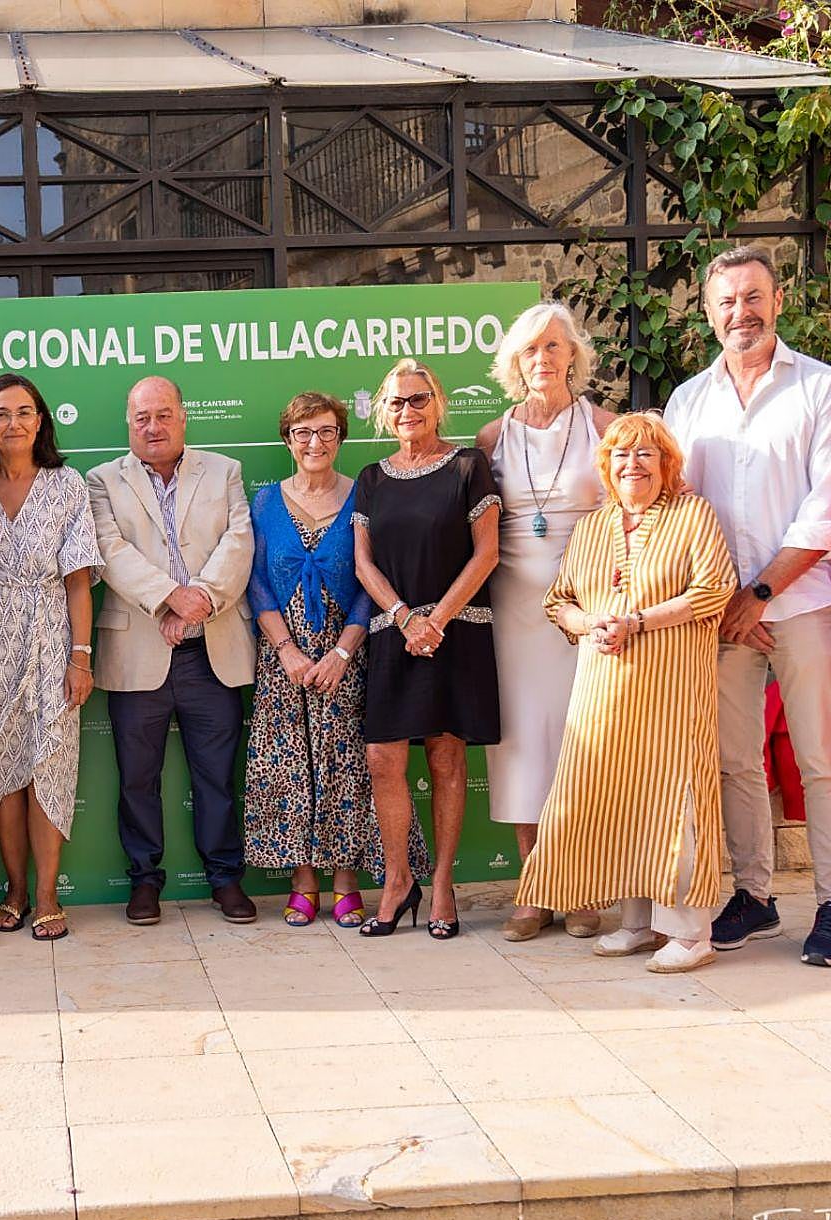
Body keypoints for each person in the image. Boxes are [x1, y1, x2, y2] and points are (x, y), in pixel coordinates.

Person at [663, 244, 831, 967]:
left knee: (819, 759)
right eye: (725, 301)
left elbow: (823, 511)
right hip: (718, 612)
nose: (739, 312)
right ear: (709, 312)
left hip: (803, 602)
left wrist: (761, 594)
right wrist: (715, 599)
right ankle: (754, 896)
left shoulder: (822, 388)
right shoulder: (689, 400)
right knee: (736, 762)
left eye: (752, 297)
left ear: (777, 302)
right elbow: (675, 505)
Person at [515, 413, 738, 973]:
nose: (632, 464)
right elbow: (557, 601)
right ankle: (637, 924)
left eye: (646, 454)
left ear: (668, 464)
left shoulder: (693, 516)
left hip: (672, 688)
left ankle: (690, 932)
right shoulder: (593, 527)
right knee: (622, 804)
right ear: (605, 467)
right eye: (621, 454)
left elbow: (713, 590)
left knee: (673, 801)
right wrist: (589, 622)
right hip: (603, 691)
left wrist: (637, 621)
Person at [245, 391, 425, 926]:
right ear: (287, 441)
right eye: (303, 433)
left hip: (351, 654)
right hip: (284, 657)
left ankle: (347, 880)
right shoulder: (265, 501)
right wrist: (288, 652)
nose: (314, 442)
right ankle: (303, 881)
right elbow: (255, 583)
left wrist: (344, 651)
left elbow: (372, 580)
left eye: (325, 431)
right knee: (290, 766)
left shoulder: (363, 496)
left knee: (346, 767)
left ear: (340, 438)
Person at [89, 376, 257, 927]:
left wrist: (201, 600)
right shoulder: (101, 481)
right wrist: (167, 600)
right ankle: (144, 882)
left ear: (184, 417)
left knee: (216, 776)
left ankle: (226, 879)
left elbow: (239, 542)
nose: (153, 427)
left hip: (212, 648)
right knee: (138, 779)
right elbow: (109, 551)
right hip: (139, 651)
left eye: (163, 415)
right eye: (142, 418)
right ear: (128, 423)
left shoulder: (224, 470)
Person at [475, 303, 615, 943]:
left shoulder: (607, 428)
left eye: (555, 346)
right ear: (514, 362)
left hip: (584, 610)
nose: (544, 358)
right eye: (531, 349)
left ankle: (580, 884)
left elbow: (634, 514)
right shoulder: (489, 438)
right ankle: (533, 887)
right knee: (523, 745)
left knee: (580, 743)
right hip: (511, 613)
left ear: (573, 356)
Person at [352, 358, 497, 940]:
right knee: (383, 758)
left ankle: (441, 884)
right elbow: (364, 563)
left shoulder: (469, 466)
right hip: (396, 634)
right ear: (384, 413)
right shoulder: (371, 477)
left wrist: (437, 617)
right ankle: (396, 880)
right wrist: (406, 616)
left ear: (438, 404)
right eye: (396, 402)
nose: (407, 411)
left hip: (456, 633)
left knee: (445, 756)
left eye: (418, 400)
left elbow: (485, 554)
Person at [0, 374, 102, 942]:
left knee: (50, 762)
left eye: (25, 412)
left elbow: (78, 582)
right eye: (1, 413)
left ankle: (47, 893)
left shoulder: (66, 484)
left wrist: (81, 656)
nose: (14, 423)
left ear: (41, 421)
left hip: (52, 633)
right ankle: (15, 888)